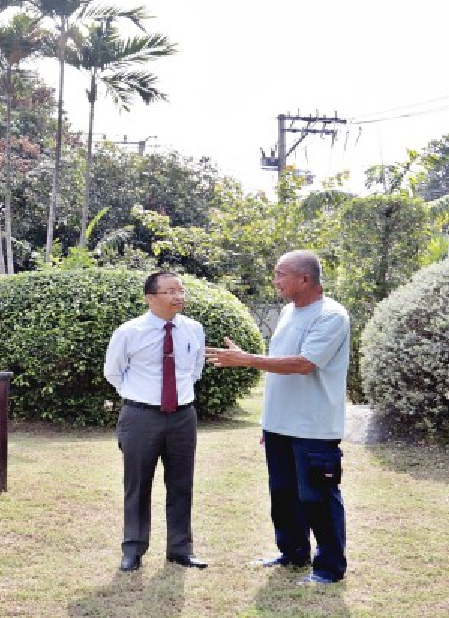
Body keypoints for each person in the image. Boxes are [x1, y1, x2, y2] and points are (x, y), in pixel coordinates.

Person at [205, 250, 350, 585]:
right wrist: (269, 421)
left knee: (318, 497)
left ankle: (329, 568)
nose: (275, 281)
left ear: (305, 279)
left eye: (280, 274)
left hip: (313, 427)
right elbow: (280, 366)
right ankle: (293, 553)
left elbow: (304, 364)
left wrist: (246, 359)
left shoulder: (331, 316)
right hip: (279, 425)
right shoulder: (287, 312)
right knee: (283, 494)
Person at [103, 271, 208, 572]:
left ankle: (180, 549)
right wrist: (140, 396)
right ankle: (133, 549)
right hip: (141, 416)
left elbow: (195, 369)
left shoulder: (193, 329)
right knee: (137, 484)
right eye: (170, 291)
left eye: (181, 290)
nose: (178, 296)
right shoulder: (129, 332)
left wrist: (177, 398)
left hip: (182, 416)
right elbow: (113, 372)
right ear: (151, 298)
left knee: (181, 484)